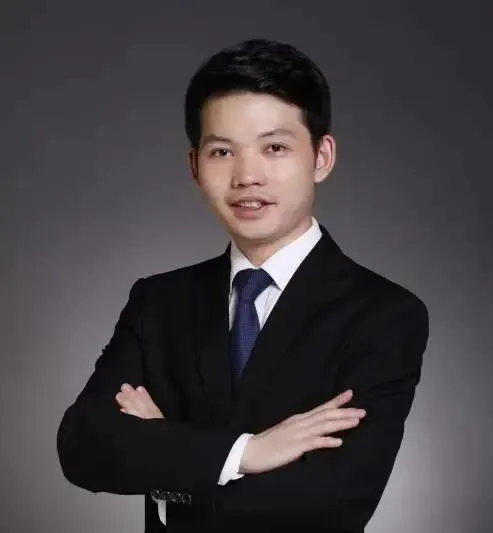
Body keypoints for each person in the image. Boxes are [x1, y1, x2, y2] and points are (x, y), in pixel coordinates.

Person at [57, 38, 429, 533]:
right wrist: (248, 453)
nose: (247, 176)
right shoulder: (159, 302)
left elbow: (332, 502)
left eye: (274, 147)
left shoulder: (383, 314)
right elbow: (82, 446)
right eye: (222, 152)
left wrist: (167, 458)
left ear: (321, 157)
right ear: (195, 166)